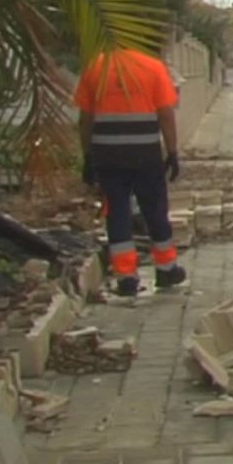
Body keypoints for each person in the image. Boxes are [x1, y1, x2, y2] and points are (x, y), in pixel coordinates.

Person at [75, 46, 186, 297]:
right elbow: (165, 114)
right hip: (145, 154)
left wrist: (88, 156)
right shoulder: (153, 67)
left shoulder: (96, 67)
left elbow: (85, 118)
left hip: (108, 156)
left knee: (116, 213)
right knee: (155, 209)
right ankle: (167, 269)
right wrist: (172, 151)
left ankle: (126, 277)